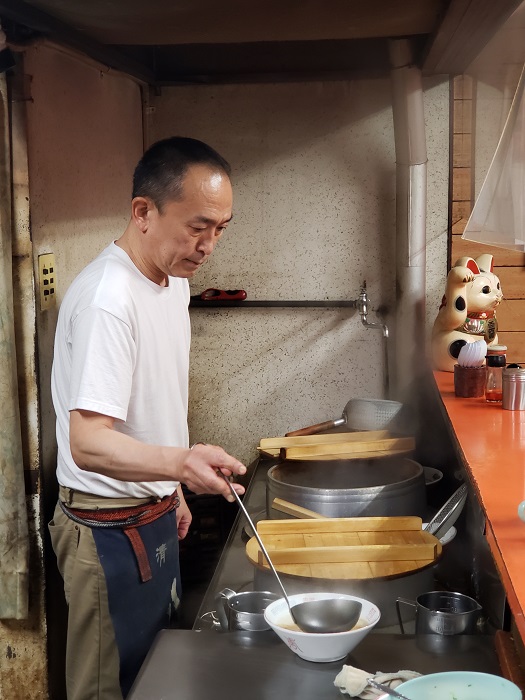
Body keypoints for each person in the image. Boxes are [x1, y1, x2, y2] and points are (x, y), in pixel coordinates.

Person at [49, 136, 246, 700]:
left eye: (221, 228)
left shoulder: (172, 282)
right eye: (198, 226)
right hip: (107, 526)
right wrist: (180, 465)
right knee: (108, 686)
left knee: (154, 674)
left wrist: (171, 488)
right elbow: (87, 443)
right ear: (143, 212)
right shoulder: (108, 299)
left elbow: (149, 404)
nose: (209, 245)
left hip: (152, 507)